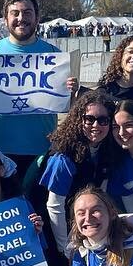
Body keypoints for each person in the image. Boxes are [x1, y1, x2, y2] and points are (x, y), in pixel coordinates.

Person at [0, 0, 74, 163]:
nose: (21, 18)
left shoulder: (55, 56)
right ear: (5, 19)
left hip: (42, 150)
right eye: (15, 13)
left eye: (27, 13)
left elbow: (69, 103)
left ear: (37, 17)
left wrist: (71, 91)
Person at [41, 93, 121, 255]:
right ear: (79, 120)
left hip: (82, 222)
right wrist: (66, 248)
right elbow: (54, 206)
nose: (96, 125)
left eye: (103, 120)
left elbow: (101, 194)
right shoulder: (63, 158)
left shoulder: (107, 150)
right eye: (89, 119)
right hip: (52, 226)